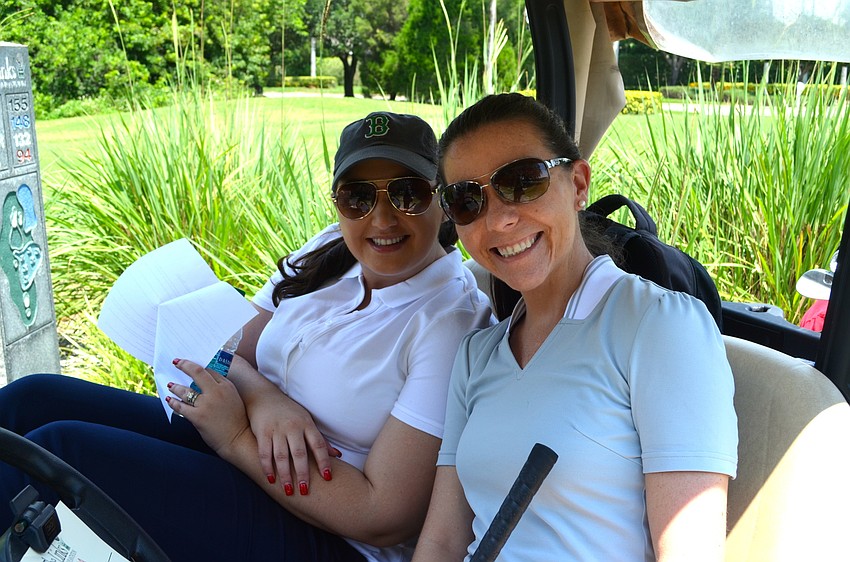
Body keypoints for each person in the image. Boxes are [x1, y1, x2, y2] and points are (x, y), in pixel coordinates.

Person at [0, 111, 494, 561]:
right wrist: (265, 399)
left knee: (62, 452)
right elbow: (228, 347)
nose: (381, 219)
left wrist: (236, 438)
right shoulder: (333, 248)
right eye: (357, 197)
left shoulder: (448, 322)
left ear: (443, 201)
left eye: (408, 193)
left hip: (329, 531)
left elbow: (384, 516)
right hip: (241, 442)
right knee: (33, 399)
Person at [412, 93, 738, 561]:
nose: (500, 218)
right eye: (467, 200)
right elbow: (442, 542)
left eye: (523, 182)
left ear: (578, 183)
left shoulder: (660, 327)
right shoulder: (476, 354)